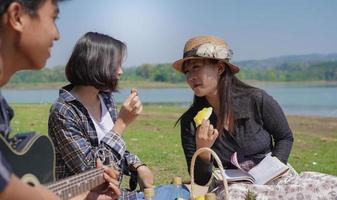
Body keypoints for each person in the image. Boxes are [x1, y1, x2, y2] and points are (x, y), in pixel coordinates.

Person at [0, 1, 120, 199]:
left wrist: (83, 196)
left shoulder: (3, 109)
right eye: (53, 18)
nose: (57, 34)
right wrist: (122, 123)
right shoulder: (64, 110)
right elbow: (8, 189)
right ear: (17, 16)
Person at [172, 35, 294, 185]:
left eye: (196, 67)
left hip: (276, 178)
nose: (190, 77)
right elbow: (200, 180)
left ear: (220, 68)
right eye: (187, 72)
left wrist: (272, 171)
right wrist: (203, 149)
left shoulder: (256, 99)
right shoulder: (191, 122)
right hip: (234, 188)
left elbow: (285, 137)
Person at [48, 32, 154, 192]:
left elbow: (113, 152)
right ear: (95, 64)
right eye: (115, 65)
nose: (120, 72)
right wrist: (122, 123)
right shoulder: (64, 111)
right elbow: (91, 172)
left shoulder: (106, 99)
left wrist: (137, 165)